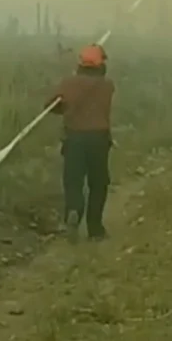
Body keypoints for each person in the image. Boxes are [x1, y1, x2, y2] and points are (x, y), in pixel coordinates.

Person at [47, 42, 116, 241]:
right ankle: (95, 230)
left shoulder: (69, 83)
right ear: (101, 65)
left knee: (73, 181)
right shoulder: (108, 85)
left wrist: (67, 96)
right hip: (99, 140)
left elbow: (51, 106)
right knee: (98, 183)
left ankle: (74, 211)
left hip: (74, 139)